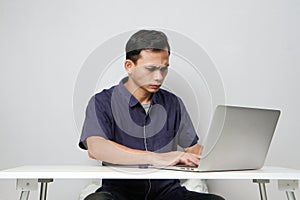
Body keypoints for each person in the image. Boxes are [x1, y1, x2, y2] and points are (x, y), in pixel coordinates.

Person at [79, 30, 225, 200]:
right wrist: (156, 158)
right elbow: (97, 149)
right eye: (150, 69)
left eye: (164, 69)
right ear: (129, 66)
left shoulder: (173, 103)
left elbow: (193, 149)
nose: (158, 77)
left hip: (168, 194)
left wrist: (224, 156)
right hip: (119, 193)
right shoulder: (101, 102)